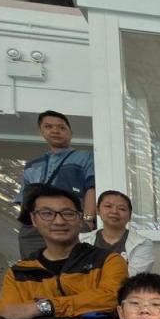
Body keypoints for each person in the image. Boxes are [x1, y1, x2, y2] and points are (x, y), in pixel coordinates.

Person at [0, 185, 128, 319]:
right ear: (33, 219)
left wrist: (44, 307)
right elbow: (8, 312)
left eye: (67, 213)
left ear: (79, 218)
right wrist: (79, 304)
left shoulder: (108, 260)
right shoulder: (19, 271)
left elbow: (111, 298)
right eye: (47, 214)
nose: (58, 221)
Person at [19, 110, 96, 257]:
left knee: (73, 264)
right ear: (41, 131)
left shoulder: (85, 157)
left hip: (70, 220)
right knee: (33, 266)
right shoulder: (32, 165)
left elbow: (91, 188)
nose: (55, 131)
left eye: (61, 127)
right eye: (48, 126)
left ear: (70, 133)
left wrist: (88, 221)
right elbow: (24, 199)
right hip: (35, 227)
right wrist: (29, 223)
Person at [79, 189, 154, 276]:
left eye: (122, 209)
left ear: (130, 215)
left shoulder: (142, 243)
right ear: (98, 210)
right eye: (108, 206)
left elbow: (133, 279)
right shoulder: (81, 240)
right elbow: (77, 275)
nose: (114, 211)